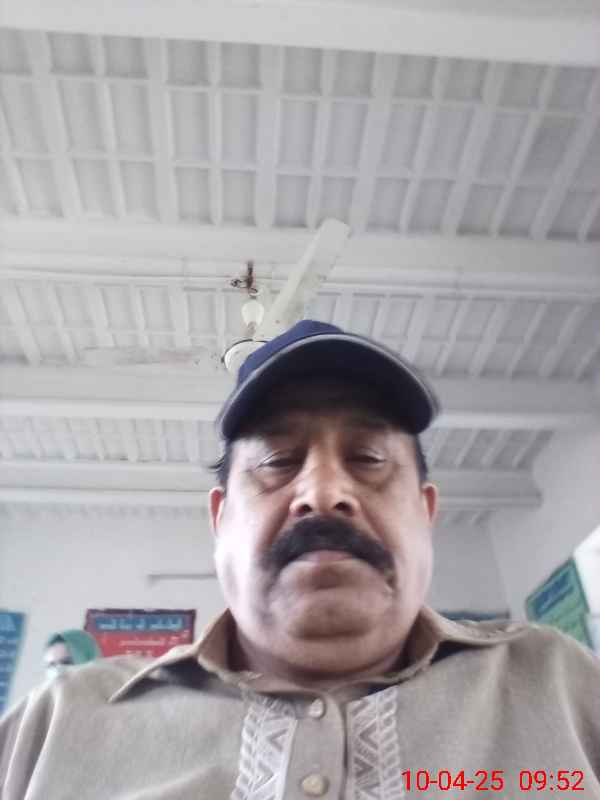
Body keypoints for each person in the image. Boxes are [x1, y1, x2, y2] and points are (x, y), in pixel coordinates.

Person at [0, 320, 599, 799]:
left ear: (425, 511)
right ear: (220, 520)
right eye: (277, 461)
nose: (322, 492)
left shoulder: (559, 685)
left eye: (368, 458)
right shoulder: (53, 725)